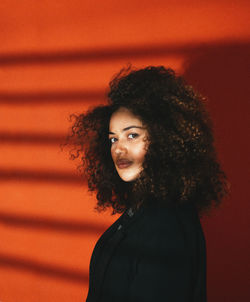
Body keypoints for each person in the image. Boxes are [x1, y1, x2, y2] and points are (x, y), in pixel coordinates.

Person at [68, 66, 228, 302]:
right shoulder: (140, 213)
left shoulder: (165, 224)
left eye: (132, 135)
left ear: (165, 138)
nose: (118, 148)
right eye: (113, 139)